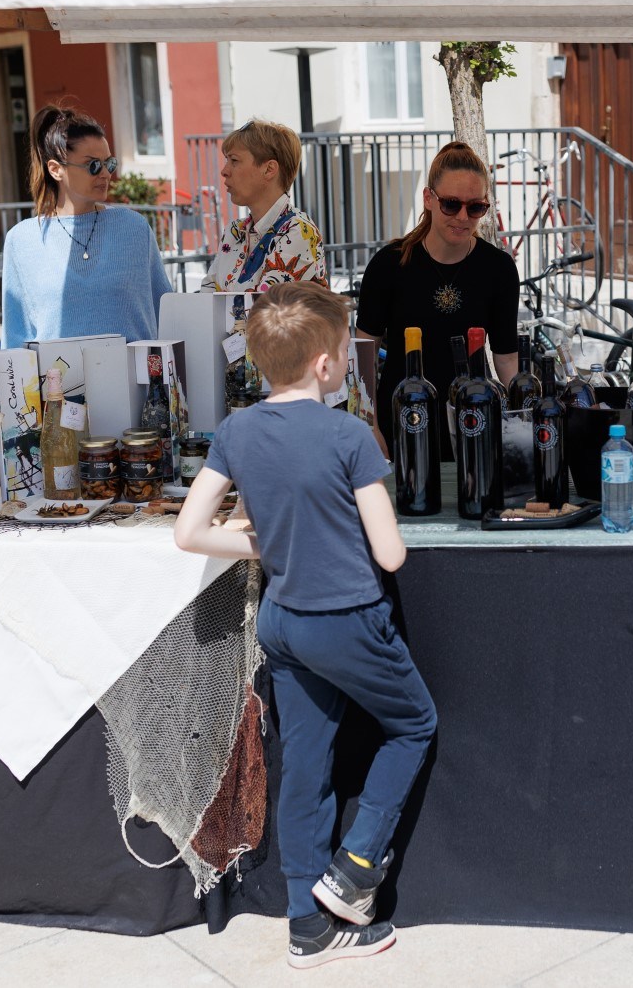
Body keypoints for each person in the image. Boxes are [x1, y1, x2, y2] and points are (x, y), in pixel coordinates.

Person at [174, 281, 435, 969]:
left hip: (282, 621)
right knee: (414, 723)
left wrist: (263, 542)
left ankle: (306, 927)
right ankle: (355, 869)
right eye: (346, 351)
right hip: (346, 619)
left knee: (306, 766)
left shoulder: (235, 431)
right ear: (325, 363)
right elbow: (390, 554)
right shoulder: (349, 434)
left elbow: (190, 531)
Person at [355, 141, 520, 460]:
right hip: (401, 422)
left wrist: (527, 417)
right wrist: (367, 425)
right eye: (451, 204)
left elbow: (507, 361)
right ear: (429, 198)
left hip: (474, 421)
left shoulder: (498, 269)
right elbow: (364, 354)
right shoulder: (389, 265)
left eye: (475, 207)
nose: (463, 217)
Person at [0, 104, 171, 348]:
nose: (105, 174)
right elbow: (14, 337)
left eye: (109, 164)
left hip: (132, 372)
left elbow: (166, 313)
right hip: (55, 373)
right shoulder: (22, 240)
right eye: (93, 165)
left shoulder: (134, 228)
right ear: (56, 169)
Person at [201, 119, 327, 293]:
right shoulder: (234, 231)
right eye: (226, 160)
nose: (224, 171)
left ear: (269, 169)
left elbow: (264, 306)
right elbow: (206, 298)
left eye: (234, 160)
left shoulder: (299, 231)